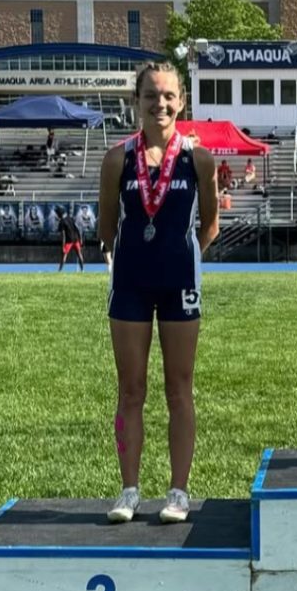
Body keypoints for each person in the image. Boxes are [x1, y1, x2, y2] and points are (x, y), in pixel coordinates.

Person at [98, 62, 219, 525]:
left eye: (169, 96)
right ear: (137, 102)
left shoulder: (197, 159)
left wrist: (183, 254)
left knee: (179, 389)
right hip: (130, 281)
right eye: (151, 95)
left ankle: (178, 491)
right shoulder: (116, 159)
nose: (160, 104)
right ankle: (129, 491)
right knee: (130, 390)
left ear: (182, 101)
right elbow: (107, 227)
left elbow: (210, 224)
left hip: (179, 284)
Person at [58, 206, 84, 272]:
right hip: (76, 239)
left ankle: (60, 271)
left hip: (69, 241)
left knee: (64, 255)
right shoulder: (71, 218)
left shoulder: (62, 222)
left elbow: (63, 236)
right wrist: (80, 238)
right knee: (79, 254)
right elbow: (77, 228)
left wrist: (63, 246)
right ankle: (82, 270)